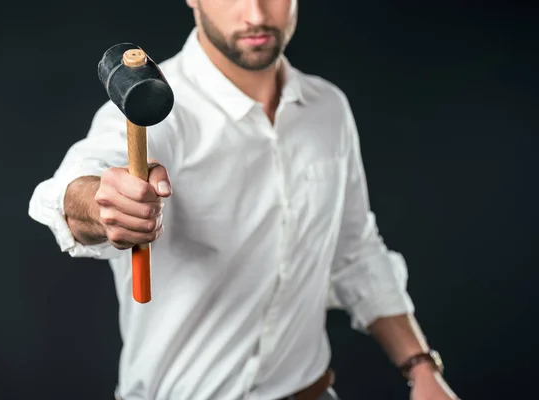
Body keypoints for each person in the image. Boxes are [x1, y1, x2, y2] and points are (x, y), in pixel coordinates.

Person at [28, 1, 460, 399]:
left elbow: (354, 250)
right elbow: (75, 187)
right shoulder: (154, 112)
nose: (255, 13)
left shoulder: (328, 109)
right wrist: (101, 204)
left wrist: (421, 367)